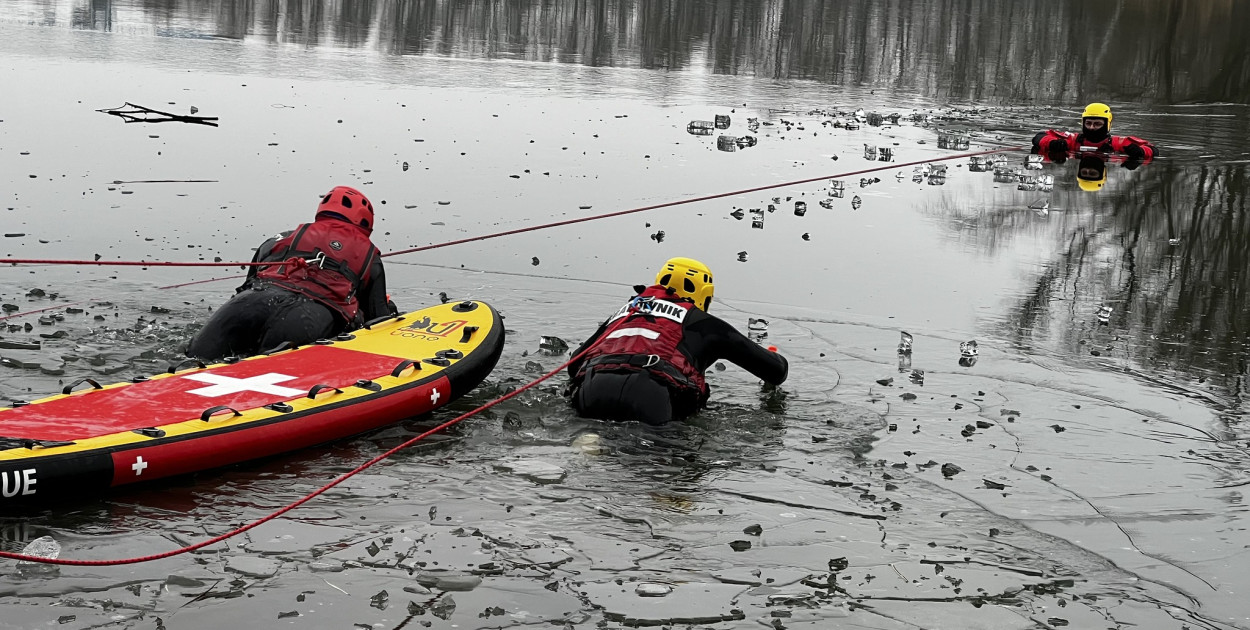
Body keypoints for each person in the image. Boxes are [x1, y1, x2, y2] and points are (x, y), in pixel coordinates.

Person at [566, 257, 788, 425]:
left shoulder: (627, 311)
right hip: (651, 393)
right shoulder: (704, 322)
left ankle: (590, 444)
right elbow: (776, 371)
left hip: (593, 387)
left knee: (597, 435)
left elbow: (574, 363)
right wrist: (775, 355)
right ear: (704, 294)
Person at [186, 186, 394, 360]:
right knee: (267, 369)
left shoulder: (280, 239)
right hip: (307, 317)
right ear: (364, 224)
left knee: (194, 357)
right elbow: (378, 324)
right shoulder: (369, 256)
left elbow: (249, 283)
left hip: (248, 304)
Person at [1032, 103, 1157, 169]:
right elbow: (1040, 137)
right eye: (1088, 123)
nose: (1091, 128)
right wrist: (1052, 144)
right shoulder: (1073, 140)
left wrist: (1140, 151)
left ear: (1107, 124)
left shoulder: (1119, 143)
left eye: (1097, 124)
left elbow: (1153, 149)